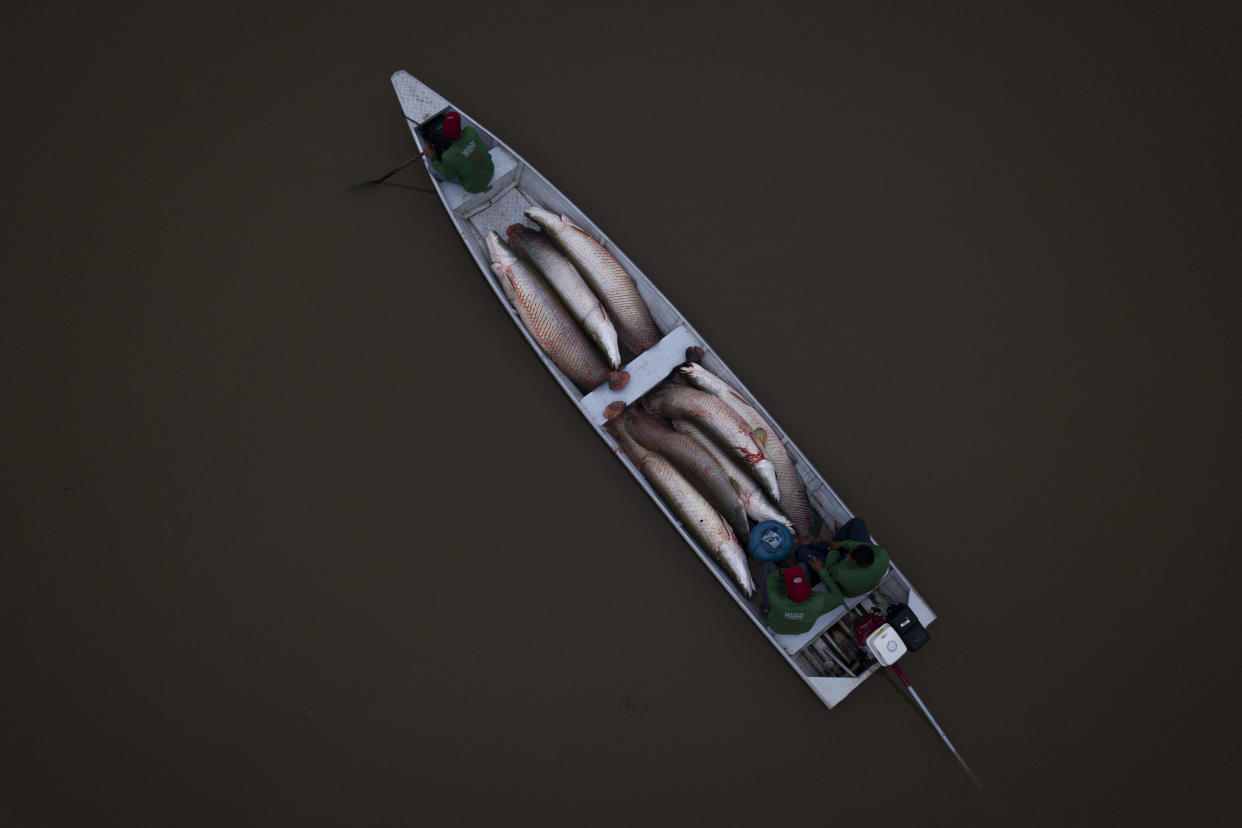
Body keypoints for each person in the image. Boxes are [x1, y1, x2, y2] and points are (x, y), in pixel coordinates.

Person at [795, 516, 890, 597]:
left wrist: (823, 568)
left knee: (802, 552)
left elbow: (831, 564)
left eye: (849, 555)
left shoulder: (841, 572)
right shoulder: (882, 553)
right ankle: (833, 542)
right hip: (858, 570)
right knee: (858, 522)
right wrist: (842, 543)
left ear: (854, 563)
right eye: (852, 550)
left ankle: (819, 545)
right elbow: (859, 546)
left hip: (835, 569)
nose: (848, 553)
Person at [759, 558, 843, 635]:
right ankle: (786, 568)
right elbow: (839, 599)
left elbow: (771, 579)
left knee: (768, 566)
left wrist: (780, 573)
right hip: (802, 628)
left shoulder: (777, 600)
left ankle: (767, 610)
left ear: (787, 591)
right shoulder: (819, 602)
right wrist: (823, 572)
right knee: (802, 566)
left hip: (778, 626)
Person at [422, 111, 495, 193]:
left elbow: (449, 175)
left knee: (432, 170)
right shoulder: (470, 131)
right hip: (490, 170)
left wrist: (433, 158)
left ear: (445, 135)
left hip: (474, 187)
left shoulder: (447, 157)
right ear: (459, 127)